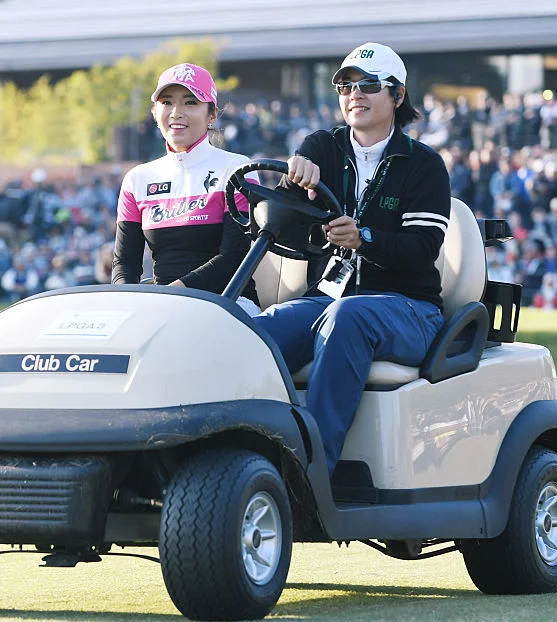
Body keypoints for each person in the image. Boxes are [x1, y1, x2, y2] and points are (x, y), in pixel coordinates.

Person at [253, 43, 451, 475]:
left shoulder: (424, 165)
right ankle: (235, 454)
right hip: (329, 299)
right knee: (256, 331)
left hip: (409, 307)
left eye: (368, 86)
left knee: (348, 317)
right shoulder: (322, 147)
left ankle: (311, 470)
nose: (354, 94)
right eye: (345, 85)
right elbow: (283, 221)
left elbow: (422, 251)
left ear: (397, 97)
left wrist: (364, 238)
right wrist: (293, 182)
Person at [112, 63, 260, 315]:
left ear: (212, 115)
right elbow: (125, 264)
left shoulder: (237, 168)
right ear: (154, 111)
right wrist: (129, 304)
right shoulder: (137, 180)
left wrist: (175, 294)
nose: (176, 112)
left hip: (230, 304)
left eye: (190, 102)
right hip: (164, 309)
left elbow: (236, 256)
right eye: (167, 102)